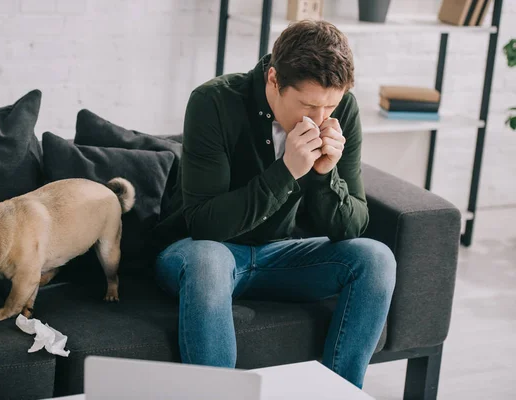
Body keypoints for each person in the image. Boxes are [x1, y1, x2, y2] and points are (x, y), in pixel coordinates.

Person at [151, 19, 396, 389]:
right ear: (273, 80)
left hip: (283, 256)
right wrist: (286, 172)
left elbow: (351, 226)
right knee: (208, 260)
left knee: (375, 259)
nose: (321, 119)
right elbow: (203, 225)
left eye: (331, 105)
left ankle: (337, 394)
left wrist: (323, 174)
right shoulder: (213, 102)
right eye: (309, 106)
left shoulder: (341, 112)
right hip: (201, 254)